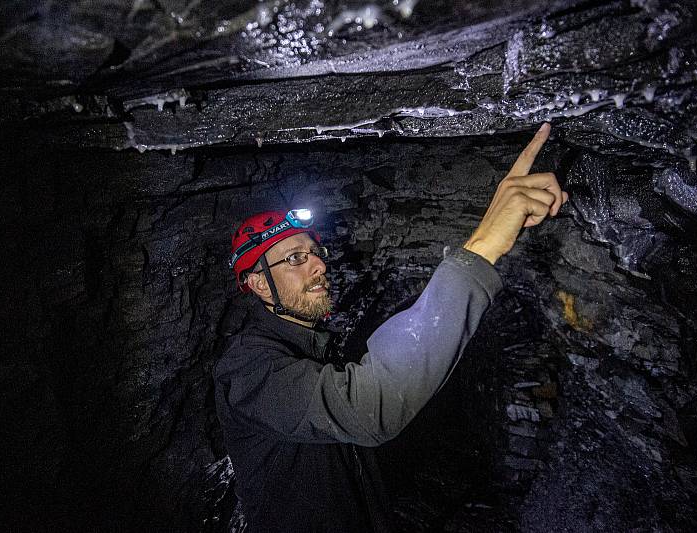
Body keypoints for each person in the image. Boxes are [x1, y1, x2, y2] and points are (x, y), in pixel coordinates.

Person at [213, 124, 568, 532]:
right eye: (295, 259)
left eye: (316, 252)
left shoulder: (319, 349)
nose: (320, 265)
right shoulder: (247, 370)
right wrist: (485, 244)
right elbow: (368, 408)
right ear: (258, 283)